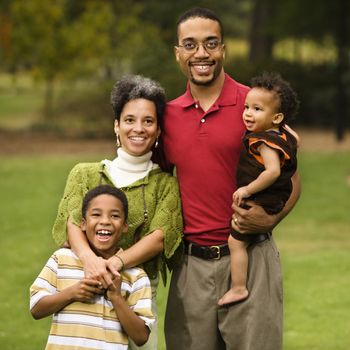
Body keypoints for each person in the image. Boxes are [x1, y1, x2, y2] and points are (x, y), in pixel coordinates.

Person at [162, 7, 301, 350]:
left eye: (211, 43)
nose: (201, 54)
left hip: (252, 258)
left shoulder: (255, 106)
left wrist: (269, 218)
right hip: (191, 266)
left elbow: (291, 180)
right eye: (190, 45)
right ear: (178, 53)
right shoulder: (166, 117)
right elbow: (154, 185)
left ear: (223, 49)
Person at [51, 75, 183, 350]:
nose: (139, 128)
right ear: (116, 125)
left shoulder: (165, 183)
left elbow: (160, 236)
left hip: (136, 303)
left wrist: (114, 264)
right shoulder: (84, 174)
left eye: (148, 121)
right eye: (129, 120)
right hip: (83, 301)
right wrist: (90, 261)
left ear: (158, 130)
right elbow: (72, 222)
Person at [30, 185, 154, 349]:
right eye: (96, 214)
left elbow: (141, 337)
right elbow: (36, 309)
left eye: (115, 216)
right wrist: (72, 293)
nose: (105, 221)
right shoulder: (62, 258)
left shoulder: (136, 275)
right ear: (83, 224)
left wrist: (116, 297)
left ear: (125, 226)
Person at [218, 72, 300, 306]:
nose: (248, 114)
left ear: (276, 117)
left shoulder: (263, 141)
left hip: (263, 200)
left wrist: (247, 190)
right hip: (275, 198)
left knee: (236, 242)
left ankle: (238, 287)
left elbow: (272, 172)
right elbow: (296, 140)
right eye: (247, 107)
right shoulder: (283, 135)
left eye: (257, 109)